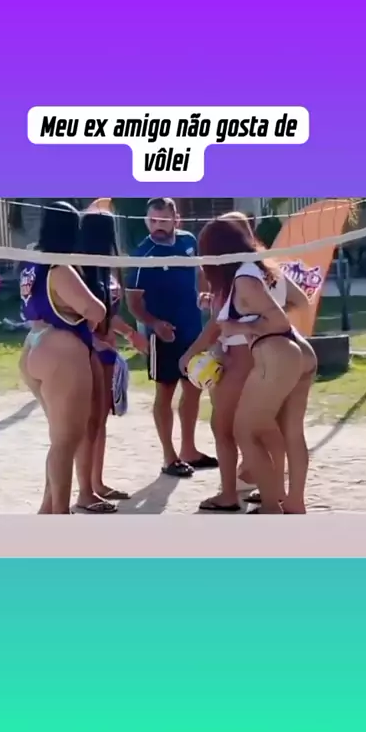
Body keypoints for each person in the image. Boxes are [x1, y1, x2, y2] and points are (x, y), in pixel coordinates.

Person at [198, 216, 317, 514]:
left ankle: (271, 505)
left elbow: (278, 321)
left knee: (245, 432)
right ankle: (292, 501)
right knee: (289, 432)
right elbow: (297, 303)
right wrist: (251, 316)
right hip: (298, 350)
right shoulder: (264, 266)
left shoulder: (244, 278)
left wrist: (239, 327)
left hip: (276, 351)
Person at [180, 212, 286, 511]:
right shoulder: (264, 268)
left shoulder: (243, 277)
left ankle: (232, 494)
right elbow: (289, 306)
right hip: (267, 359)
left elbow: (222, 325)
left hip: (242, 360)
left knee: (227, 430)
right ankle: (273, 491)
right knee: (263, 431)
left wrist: (192, 352)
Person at [18, 201, 107, 514]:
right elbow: (96, 310)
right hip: (61, 349)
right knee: (66, 441)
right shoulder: (60, 267)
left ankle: (49, 508)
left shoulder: (32, 262)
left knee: (60, 440)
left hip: (33, 345)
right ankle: (59, 514)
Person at [125, 197, 218, 477]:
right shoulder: (143, 255)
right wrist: (154, 324)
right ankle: (169, 457)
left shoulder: (188, 241)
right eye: (152, 220)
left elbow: (199, 272)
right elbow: (133, 302)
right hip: (162, 336)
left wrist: (205, 293)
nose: (157, 226)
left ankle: (189, 450)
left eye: (163, 220)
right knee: (165, 392)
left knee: (193, 388)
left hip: (193, 329)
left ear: (176, 219)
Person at [77, 207, 147, 509]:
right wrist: (97, 344)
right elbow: (80, 317)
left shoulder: (105, 270)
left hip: (106, 353)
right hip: (90, 353)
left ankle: (97, 483)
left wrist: (129, 334)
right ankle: (85, 491)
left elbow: (109, 315)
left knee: (100, 421)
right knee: (90, 422)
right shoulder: (80, 270)